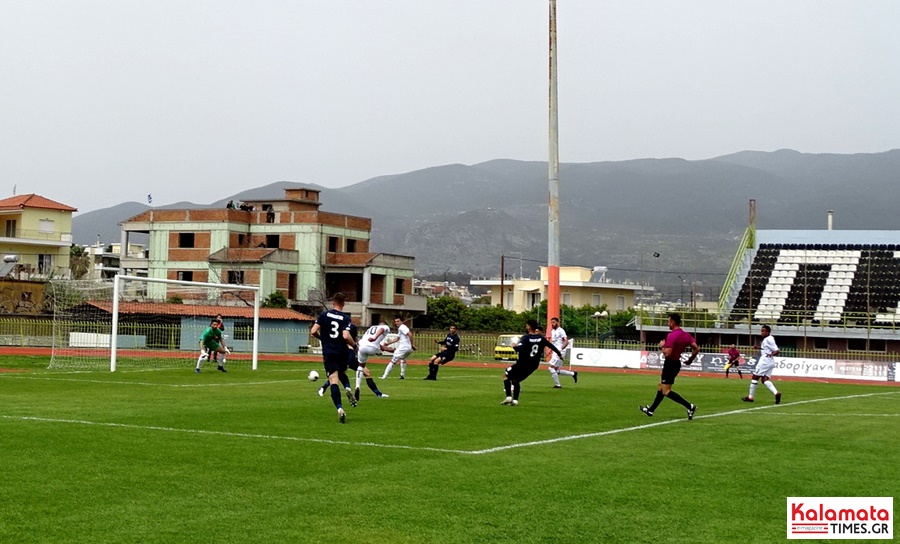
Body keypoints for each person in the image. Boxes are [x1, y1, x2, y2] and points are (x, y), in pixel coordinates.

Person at [309, 292, 358, 423]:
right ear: (344, 303)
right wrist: (354, 345)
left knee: (333, 380)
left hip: (329, 352)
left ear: (333, 302)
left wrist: (323, 339)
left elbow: (313, 331)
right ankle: (347, 388)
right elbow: (346, 336)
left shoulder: (324, 315)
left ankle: (340, 408)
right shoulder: (345, 318)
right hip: (341, 352)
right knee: (342, 373)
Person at [639, 313, 698, 419]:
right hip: (676, 364)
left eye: (668, 321)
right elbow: (696, 348)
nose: (667, 323)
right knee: (661, 387)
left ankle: (690, 406)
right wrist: (690, 360)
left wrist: (662, 346)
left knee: (666, 391)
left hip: (670, 363)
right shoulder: (686, 335)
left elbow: (667, 353)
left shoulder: (672, 335)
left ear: (672, 322)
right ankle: (651, 410)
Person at [501, 319, 563, 406]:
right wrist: (559, 354)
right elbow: (551, 346)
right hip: (533, 365)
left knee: (506, 375)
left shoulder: (525, 338)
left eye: (526, 325)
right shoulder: (541, 338)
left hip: (522, 363)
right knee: (516, 379)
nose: (526, 327)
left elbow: (520, 349)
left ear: (529, 327)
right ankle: (515, 401)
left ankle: (508, 396)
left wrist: (514, 346)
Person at [742, 324, 782, 404]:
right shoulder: (769, 339)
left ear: (767, 332)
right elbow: (767, 349)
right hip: (770, 362)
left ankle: (750, 397)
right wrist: (758, 348)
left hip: (765, 361)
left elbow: (777, 350)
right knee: (765, 380)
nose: (761, 333)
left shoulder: (768, 339)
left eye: (763, 331)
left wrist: (772, 354)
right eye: (761, 331)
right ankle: (776, 393)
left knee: (754, 378)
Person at [353, 319, 391, 399]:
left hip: (361, 347)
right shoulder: (384, 327)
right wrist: (375, 337)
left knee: (360, 366)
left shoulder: (371, 328)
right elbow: (382, 329)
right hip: (372, 348)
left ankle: (357, 386)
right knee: (376, 350)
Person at [547, 317, 577, 388]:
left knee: (551, 368)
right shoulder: (553, 331)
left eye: (554, 322)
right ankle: (573, 374)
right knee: (556, 371)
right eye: (551, 322)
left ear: (558, 322)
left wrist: (560, 350)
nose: (552, 324)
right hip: (555, 352)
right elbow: (554, 343)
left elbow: (566, 341)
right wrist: (550, 350)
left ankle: (558, 385)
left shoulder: (561, 331)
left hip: (560, 351)